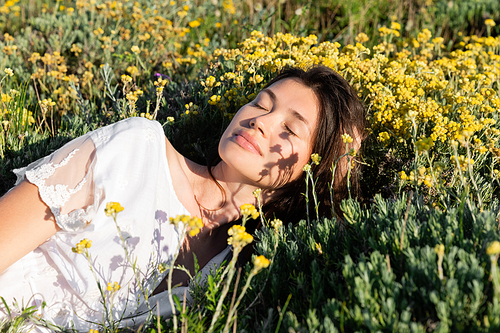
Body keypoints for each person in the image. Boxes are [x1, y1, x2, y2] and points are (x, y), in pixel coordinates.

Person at [0, 65, 365, 331]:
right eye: (260, 103)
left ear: (315, 167)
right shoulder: (137, 150)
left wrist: (342, 170)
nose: (261, 121)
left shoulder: (240, 268)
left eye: (290, 128)